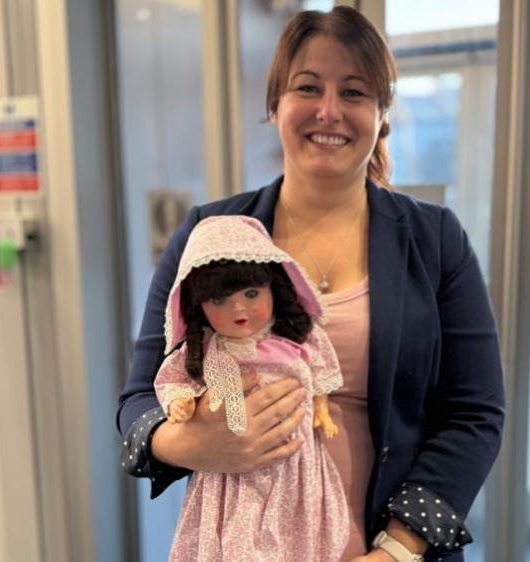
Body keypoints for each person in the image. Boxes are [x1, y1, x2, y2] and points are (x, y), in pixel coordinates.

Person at [118, 6, 505, 561]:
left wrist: (397, 550)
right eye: (308, 87)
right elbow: (139, 396)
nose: (329, 111)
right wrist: (190, 443)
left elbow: (476, 412)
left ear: (380, 114)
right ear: (275, 104)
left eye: (354, 92)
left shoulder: (434, 239)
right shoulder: (209, 235)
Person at [153, 215, 348, 561]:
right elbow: (171, 379)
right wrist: (181, 402)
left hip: (296, 467)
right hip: (231, 478)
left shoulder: (296, 341)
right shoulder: (207, 352)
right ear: (198, 307)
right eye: (219, 301)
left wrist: (321, 410)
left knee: (299, 539)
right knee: (236, 541)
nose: (239, 308)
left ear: (275, 286)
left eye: (252, 293)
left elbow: (320, 374)